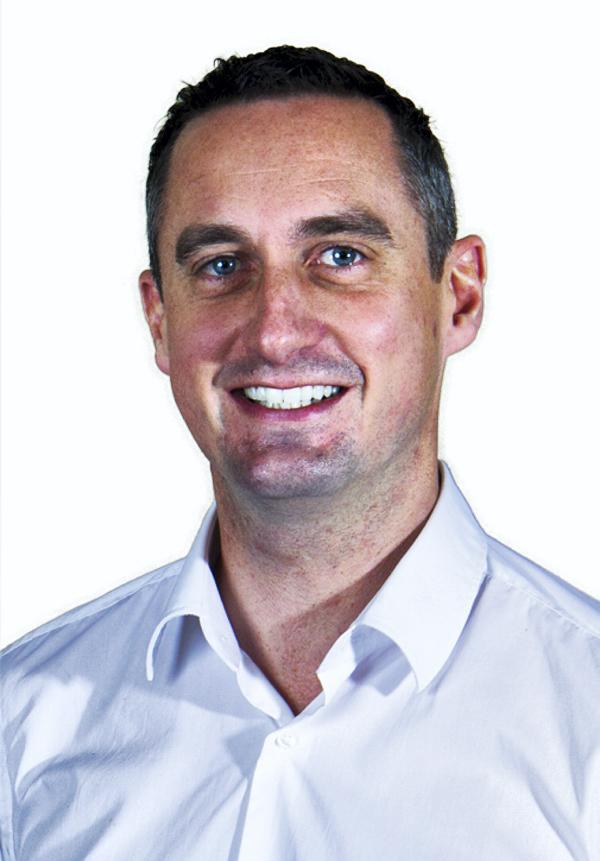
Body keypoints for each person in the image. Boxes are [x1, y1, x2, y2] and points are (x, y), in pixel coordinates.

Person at [1, 45, 598, 861]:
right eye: (221, 266)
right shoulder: (23, 726)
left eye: (341, 257)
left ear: (458, 295)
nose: (276, 330)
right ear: (160, 320)